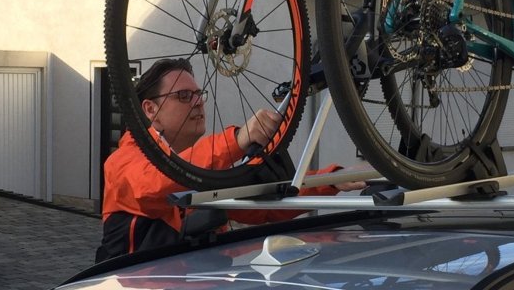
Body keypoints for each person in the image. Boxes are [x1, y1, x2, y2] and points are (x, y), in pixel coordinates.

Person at [96, 58, 365, 262]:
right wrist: (237, 140)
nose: (198, 102)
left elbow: (262, 206)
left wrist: (336, 180)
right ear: (150, 109)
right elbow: (154, 185)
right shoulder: (123, 162)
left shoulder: (196, 166)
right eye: (183, 96)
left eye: (199, 94)